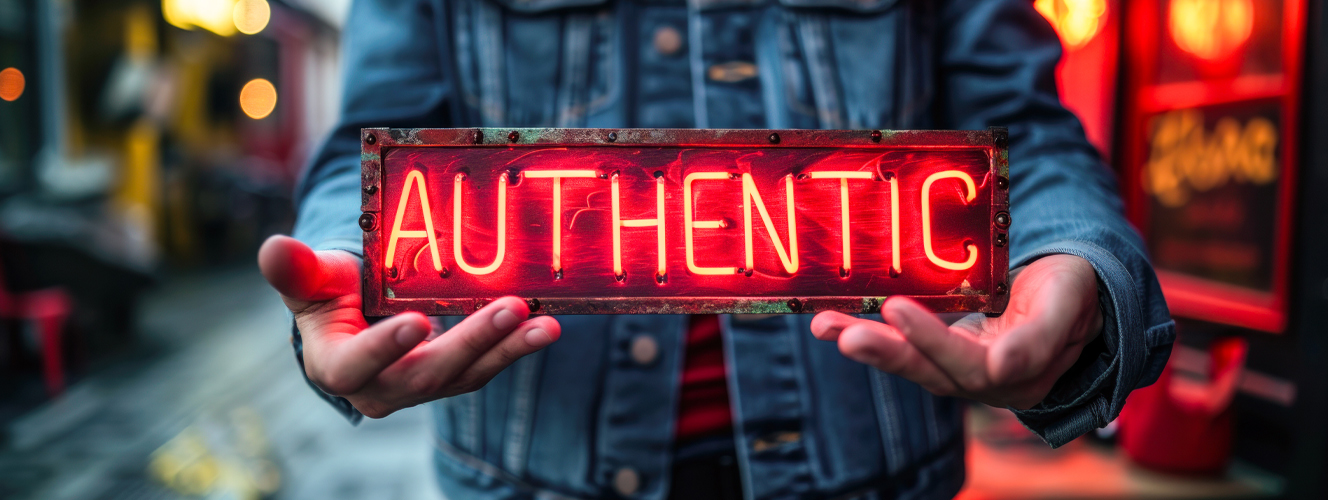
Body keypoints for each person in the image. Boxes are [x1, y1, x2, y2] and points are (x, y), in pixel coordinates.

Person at [258, 0, 1175, 497]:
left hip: (874, 478)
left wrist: (1068, 258)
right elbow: (373, 146)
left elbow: (1025, 134)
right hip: (527, 478)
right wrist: (351, 261)